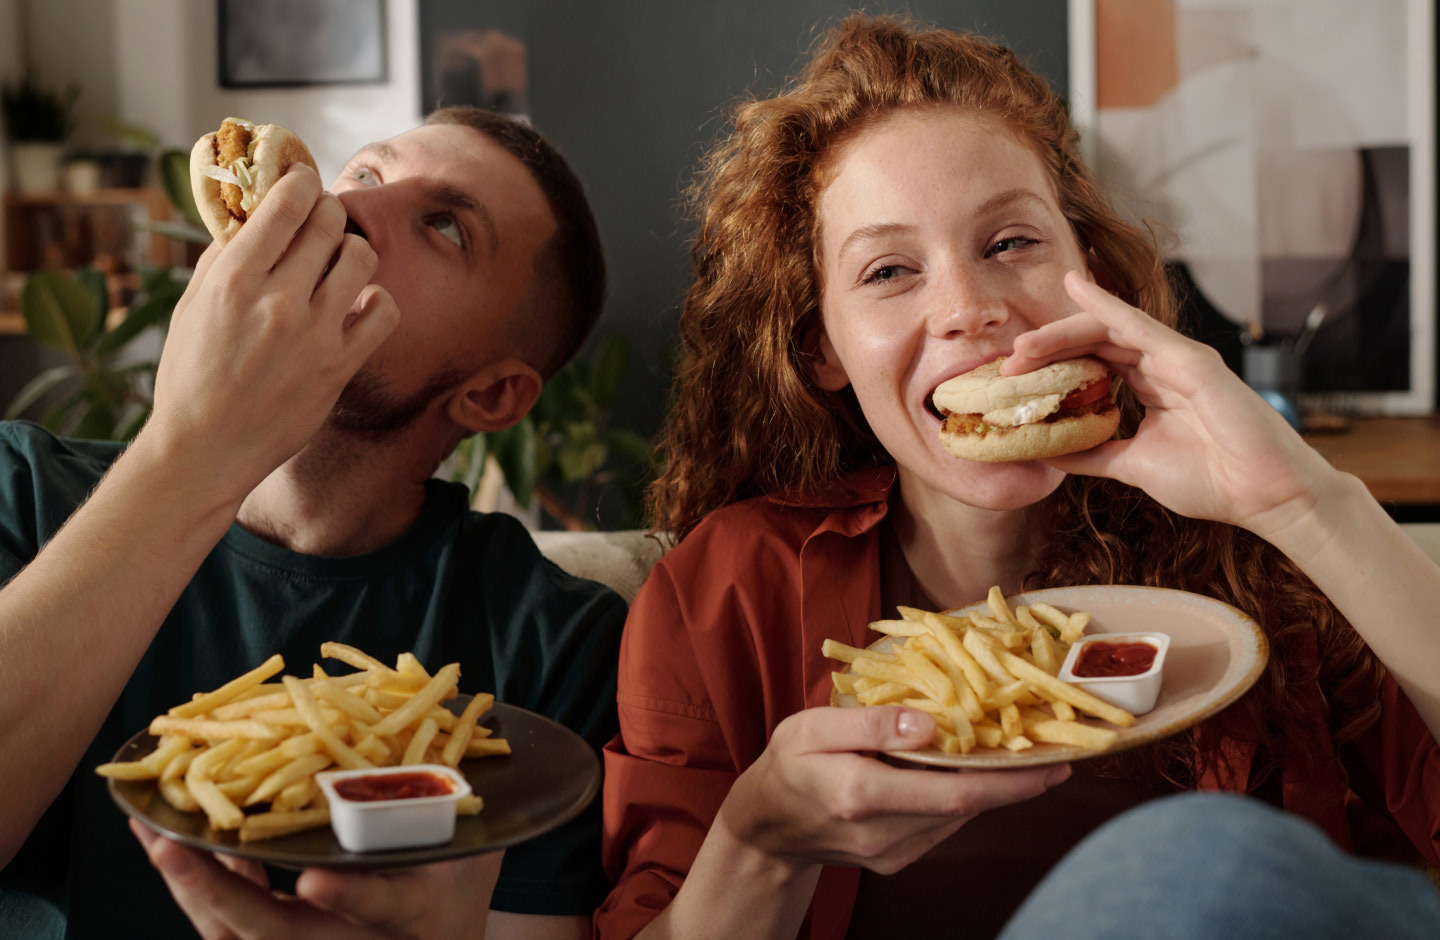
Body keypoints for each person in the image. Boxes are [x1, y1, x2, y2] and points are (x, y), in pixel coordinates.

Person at [596, 16, 1440, 939]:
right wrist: (762, 842)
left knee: (1212, 861)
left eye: (1010, 244)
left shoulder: (1260, 552)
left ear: (1097, 274)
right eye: (888, 270)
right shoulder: (721, 593)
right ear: (822, 347)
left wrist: (1301, 503)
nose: (971, 308)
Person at [0, 106, 625, 939]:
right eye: (364, 173)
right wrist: (192, 451)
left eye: (444, 226)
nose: (352, 208)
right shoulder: (23, 489)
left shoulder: (555, 641)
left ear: (489, 394)